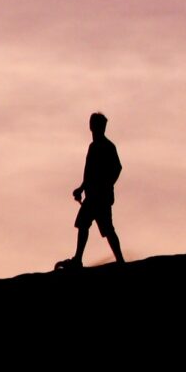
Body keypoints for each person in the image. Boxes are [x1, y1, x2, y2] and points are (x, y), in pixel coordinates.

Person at [59, 111, 126, 270]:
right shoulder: (94, 146)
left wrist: (106, 185)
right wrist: (82, 188)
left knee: (106, 229)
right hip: (93, 196)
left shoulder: (107, 146)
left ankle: (120, 261)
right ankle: (79, 259)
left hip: (100, 197)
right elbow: (89, 173)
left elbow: (117, 168)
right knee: (85, 224)